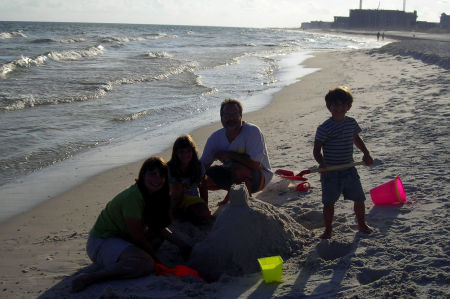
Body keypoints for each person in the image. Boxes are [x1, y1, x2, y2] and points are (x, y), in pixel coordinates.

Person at [72, 157, 191, 292]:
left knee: (158, 238)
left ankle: (127, 259)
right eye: (152, 174)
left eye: (161, 175)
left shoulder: (154, 195)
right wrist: (157, 262)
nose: (157, 179)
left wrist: (183, 245)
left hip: (122, 238)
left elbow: (158, 227)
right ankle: (91, 277)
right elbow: (138, 238)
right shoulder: (133, 197)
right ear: (142, 175)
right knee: (146, 264)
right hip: (101, 241)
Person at [313, 86, 374, 239]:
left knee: (359, 198)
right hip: (331, 172)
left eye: (342, 105)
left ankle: (361, 224)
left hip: (349, 169)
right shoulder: (324, 128)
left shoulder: (351, 123)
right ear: (329, 106)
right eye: (335, 105)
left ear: (348, 107)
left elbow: (356, 139)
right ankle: (328, 230)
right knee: (329, 203)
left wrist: (366, 154)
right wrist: (322, 163)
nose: (338, 108)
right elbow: (316, 150)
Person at [200, 98, 272, 205]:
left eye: (235, 114)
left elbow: (255, 165)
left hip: (260, 176)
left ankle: (246, 205)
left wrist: (229, 155)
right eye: (227, 115)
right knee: (200, 176)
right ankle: (204, 208)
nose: (231, 118)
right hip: (231, 174)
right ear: (221, 118)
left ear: (241, 116)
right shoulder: (215, 138)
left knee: (238, 170)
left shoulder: (252, 131)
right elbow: (201, 166)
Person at [168, 135, 211, 224]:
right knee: (178, 187)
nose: (185, 155)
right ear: (176, 153)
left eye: (188, 151)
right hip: (173, 200)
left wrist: (205, 205)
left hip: (191, 199)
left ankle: (184, 215)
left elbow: (203, 187)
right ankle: (171, 215)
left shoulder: (198, 166)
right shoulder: (169, 168)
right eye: (181, 152)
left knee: (204, 214)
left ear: (193, 151)